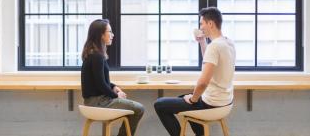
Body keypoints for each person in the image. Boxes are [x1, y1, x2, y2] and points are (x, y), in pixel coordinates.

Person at [154, 7, 236, 136]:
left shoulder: (214, 46)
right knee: (182, 99)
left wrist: (193, 99)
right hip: (225, 102)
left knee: (160, 104)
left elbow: (203, 83)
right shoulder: (228, 43)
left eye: (201, 23)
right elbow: (210, 62)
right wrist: (202, 42)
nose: (200, 27)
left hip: (212, 103)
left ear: (210, 24)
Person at [81, 19, 144, 136]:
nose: (112, 35)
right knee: (139, 109)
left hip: (93, 101)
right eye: (109, 31)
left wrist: (114, 86)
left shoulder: (93, 54)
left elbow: (101, 81)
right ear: (101, 35)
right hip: (98, 102)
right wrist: (116, 95)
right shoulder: (97, 57)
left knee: (130, 107)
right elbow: (101, 85)